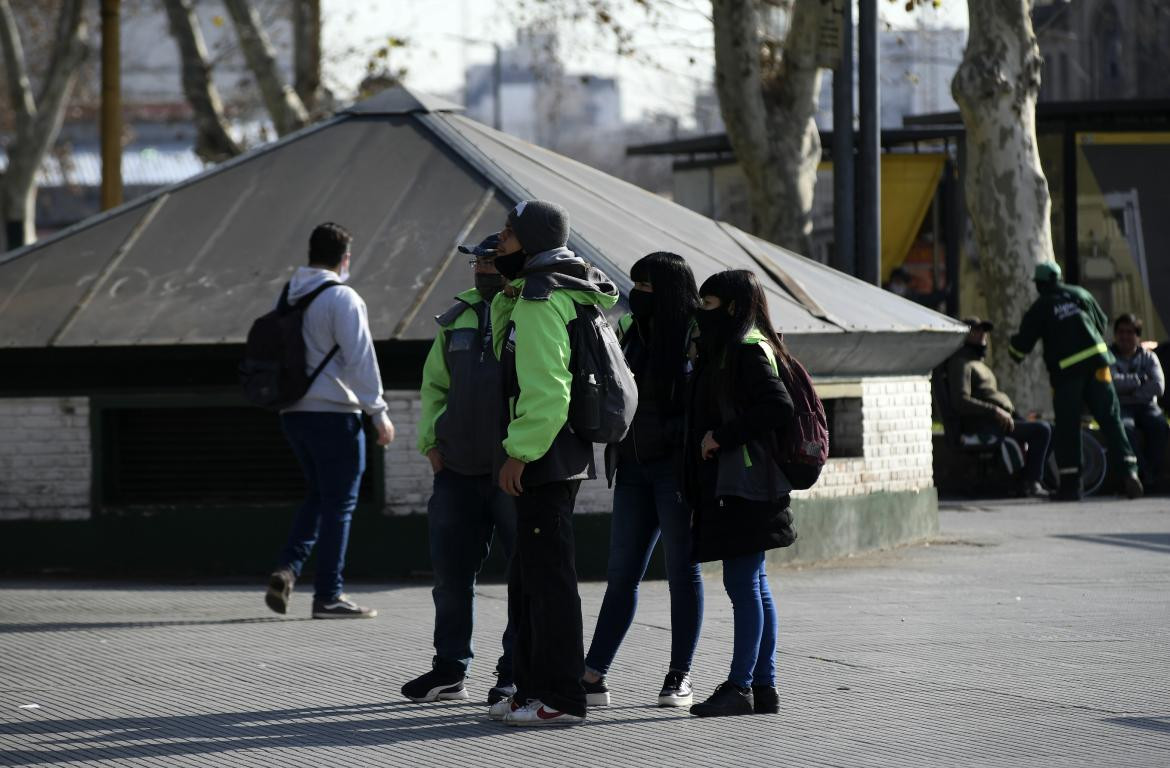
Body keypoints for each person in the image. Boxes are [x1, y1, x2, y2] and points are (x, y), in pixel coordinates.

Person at [485, 200, 619, 727]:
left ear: (533, 241)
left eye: (509, 234)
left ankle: (561, 698)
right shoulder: (550, 292)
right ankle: (532, 688)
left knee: (550, 583)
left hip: (545, 454)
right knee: (530, 578)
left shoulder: (542, 301)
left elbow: (547, 389)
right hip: (557, 453)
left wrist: (519, 453)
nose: (498, 242)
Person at [581, 252, 704, 709]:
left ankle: (680, 676)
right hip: (631, 467)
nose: (636, 295)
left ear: (669, 289)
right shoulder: (631, 329)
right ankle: (593, 675)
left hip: (675, 470)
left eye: (646, 287)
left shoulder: (696, 334)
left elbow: (703, 401)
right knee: (621, 575)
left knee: (681, 572)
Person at [401, 235, 518, 705]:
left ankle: (515, 672)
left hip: (512, 471)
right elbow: (434, 387)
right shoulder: (456, 319)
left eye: (490, 260)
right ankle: (449, 670)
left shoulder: (531, 311)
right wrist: (431, 442)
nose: (481, 269)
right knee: (450, 578)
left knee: (523, 578)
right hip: (457, 471)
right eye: (476, 262)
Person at [264, 222, 395, 619]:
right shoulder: (343, 298)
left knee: (318, 496)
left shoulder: (289, 294)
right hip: (336, 414)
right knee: (340, 505)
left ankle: (288, 569)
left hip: (294, 413)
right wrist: (379, 413)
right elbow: (361, 359)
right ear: (345, 257)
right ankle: (329, 596)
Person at [684, 269, 797, 718]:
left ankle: (741, 685)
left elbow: (777, 407)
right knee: (755, 584)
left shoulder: (747, 350)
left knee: (741, 583)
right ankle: (763, 686)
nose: (700, 313)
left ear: (731, 306)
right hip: (749, 483)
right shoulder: (741, 345)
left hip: (747, 484)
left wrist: (720, 438)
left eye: (708, 305)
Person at [1008, 262, 1142, 501]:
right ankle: (1129, 471)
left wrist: (1012, 346)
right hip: (1099, 365)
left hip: (1068, 373)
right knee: (1111, 419)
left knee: (1068, 426)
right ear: (1059, 278)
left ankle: (1071, 486)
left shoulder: (1041, 306)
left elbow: (1020, 348)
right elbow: (1101, 323)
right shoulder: (1081, 294)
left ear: (1040, 284)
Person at [946, 317, 1052, 496]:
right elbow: (960, 401)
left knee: (1050, 428)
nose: (982, 334)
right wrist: (996, 411)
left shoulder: (977, 363)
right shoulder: (961, 363)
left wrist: (1015, 415)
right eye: (975, 330)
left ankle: (1030, 479)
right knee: (1042, 430)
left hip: (1000, 420)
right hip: (985, 424)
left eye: (983, 330)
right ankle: (1032, 482)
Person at [1110, 313, 1167, 490]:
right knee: (1125, 430)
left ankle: (1153, 475)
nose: (1125, 336)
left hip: (1147, 406)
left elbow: (1158, 386)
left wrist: (1129, 388)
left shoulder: (1149, 357)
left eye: (1130, 332)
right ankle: (1143, 475)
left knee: (1159, 426)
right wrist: (1140, 380)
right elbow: (1112, 383)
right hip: (1122, 406)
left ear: (1137, 336)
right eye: (1121, 332)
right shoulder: (1107, 356)